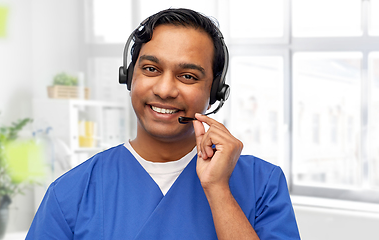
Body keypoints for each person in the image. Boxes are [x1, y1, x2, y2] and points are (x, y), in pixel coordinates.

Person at [26, 8, 300, 239]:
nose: (166, 89)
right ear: (130, 77)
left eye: (188, 76)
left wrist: (219, 191)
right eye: (151, 69)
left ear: (214, 91)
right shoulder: (70, 193)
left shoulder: (263, 184)